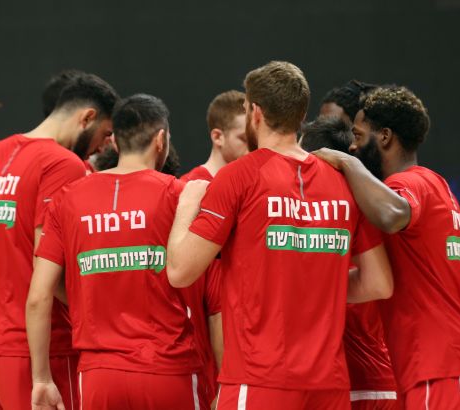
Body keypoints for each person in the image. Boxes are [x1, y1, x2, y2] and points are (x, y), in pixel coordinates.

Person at [167, 61, 393, 410]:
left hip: (259, 380)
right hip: (329, 387)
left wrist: (186, 206)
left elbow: (180, 271)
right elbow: (379, 284)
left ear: (255, 112)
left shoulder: (238, 177)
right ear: (301, 114)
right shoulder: (341, 182)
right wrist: (315, 285)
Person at [0, 73, 119, 410]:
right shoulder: (63, 164)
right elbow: (49, 268)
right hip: (42, 351)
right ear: (87, 117)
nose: (103, 146)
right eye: (105, 134)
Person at [314, 85, 460, 409]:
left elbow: (391, 215)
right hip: (435, 363)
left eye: (358, 136)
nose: (353, 147)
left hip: (444, 363)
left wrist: (347, 164)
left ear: (384, 137)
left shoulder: (408, 184)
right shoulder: (434, 184)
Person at [26, 94, 204, 409]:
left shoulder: (67, 198)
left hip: (98, 376)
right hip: (167, 369)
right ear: (161, 140)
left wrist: (41, 379)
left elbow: (39, 296)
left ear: (115, 143)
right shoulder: (180, 196)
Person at [300, 117, 398, 410]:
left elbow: (379, 285)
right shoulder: (362, 203)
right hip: (366, 380)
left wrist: (319, 289)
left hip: (358, 382)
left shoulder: (346, 208)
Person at [179, 89, 248, 407]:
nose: (251, 147)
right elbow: (215, 300)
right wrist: (223, 378)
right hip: (207, 361)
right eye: (243, 139)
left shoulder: (249, 185)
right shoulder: (193, 188)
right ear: (217, 136)